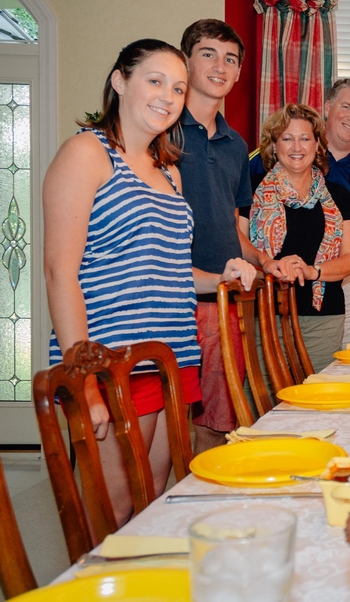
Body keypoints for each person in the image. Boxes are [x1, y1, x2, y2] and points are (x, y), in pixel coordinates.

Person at [43, 39, 256, 525]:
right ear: (120, 81)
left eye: (178, 88)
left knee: (150, 501)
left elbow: (170, 272)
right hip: (110, 363)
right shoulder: (87, 153)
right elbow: (60, 271)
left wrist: (219, 274)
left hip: (169, 359)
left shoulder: (169, 170)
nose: (168, 96)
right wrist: (86, 383)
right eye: (155, 81)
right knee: (110, 513)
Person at [177, 20, 298, 453]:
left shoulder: (235, 145)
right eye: (207, 54)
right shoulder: (162, 132)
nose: (219, 66)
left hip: (224, 303)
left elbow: (231, 226)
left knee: (218, 422)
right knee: (168, 427)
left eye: (230, 59)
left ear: (240, 72)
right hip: (174, 302)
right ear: (185, 61)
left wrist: (266, 262)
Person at [249, 78, 350, 347]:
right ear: (327, 107)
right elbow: (238, 225)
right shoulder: (264, 160)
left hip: (344, 284)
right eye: (346, 107)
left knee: (338, 372)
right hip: (271, 289)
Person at [245, 104, 350, 364]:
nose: (297, 147)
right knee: (265, 403)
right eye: (287, 138)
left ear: (318, 144)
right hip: (262, 317)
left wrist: (312, 271)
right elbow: (236, 240)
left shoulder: (339, 197)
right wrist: (266, 261)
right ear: (274, 146)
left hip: (323, 320)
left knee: (317, 401)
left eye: (305, 138)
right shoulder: (251, 191)